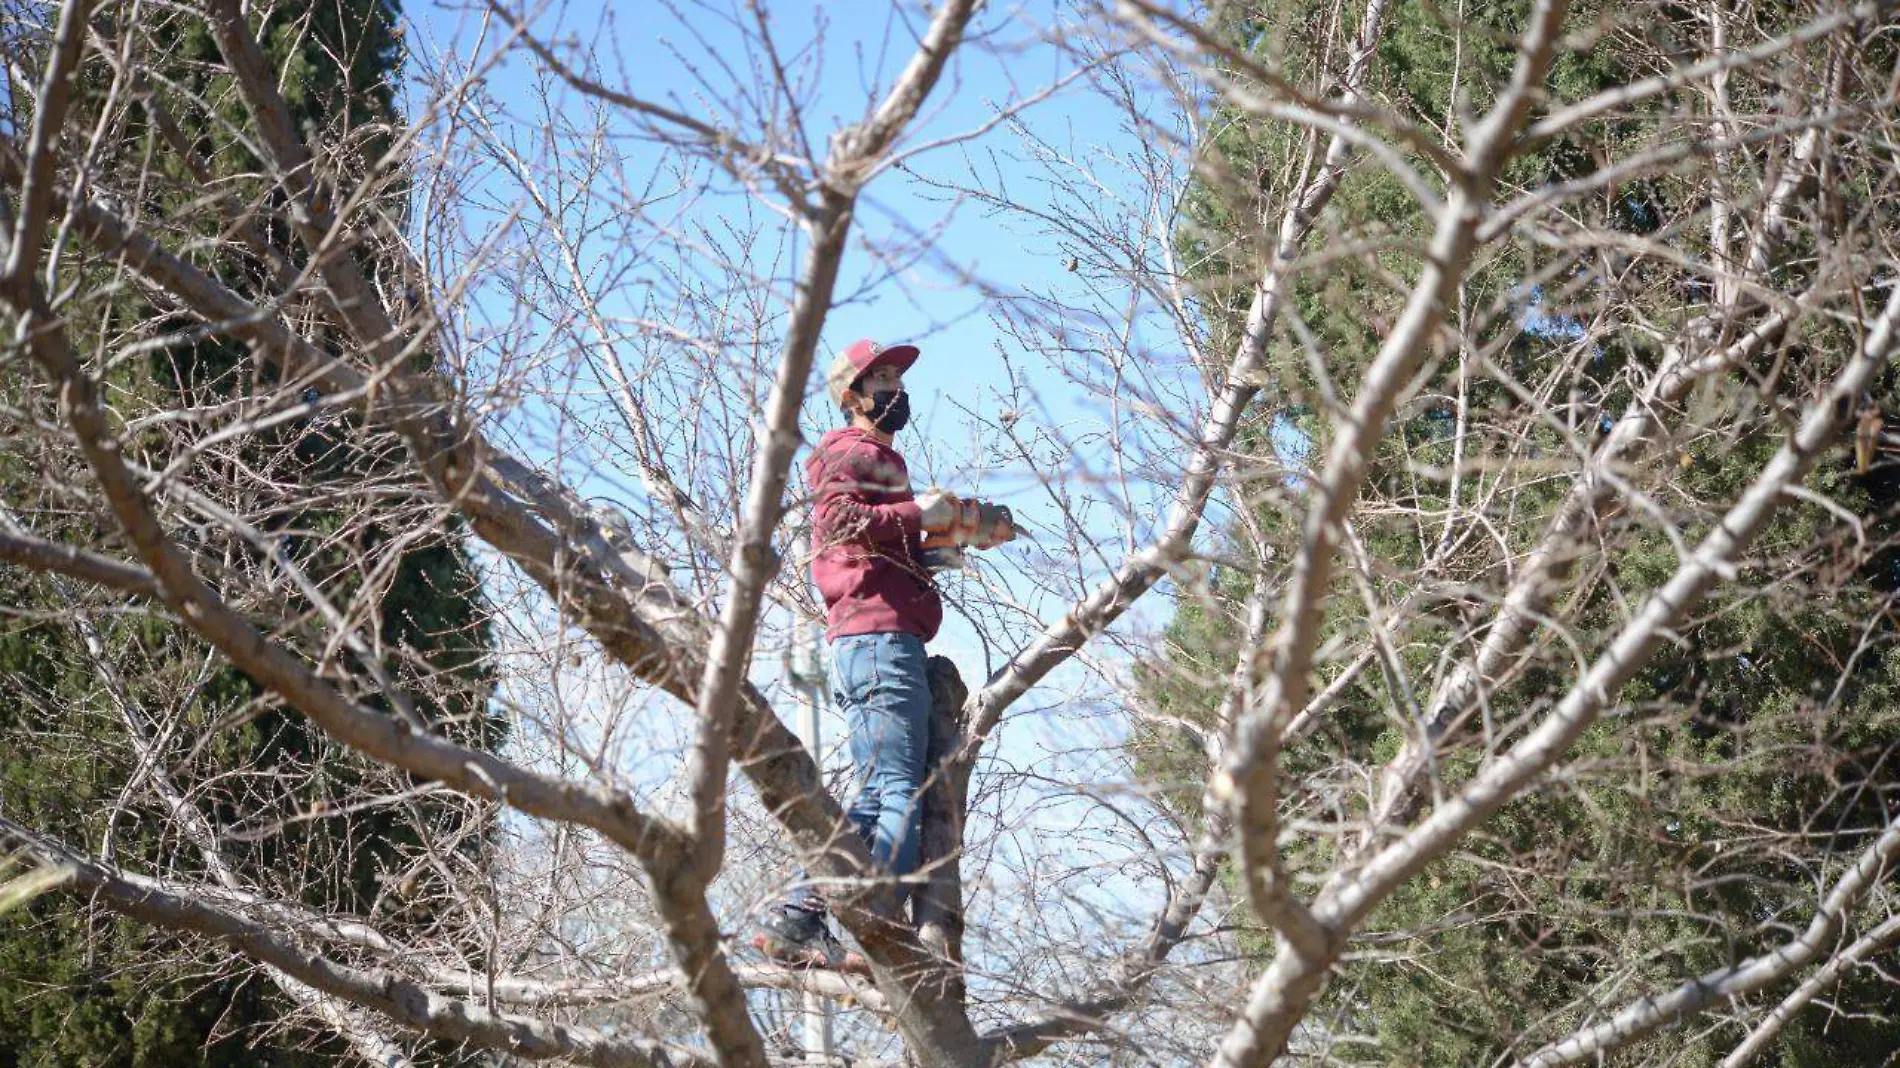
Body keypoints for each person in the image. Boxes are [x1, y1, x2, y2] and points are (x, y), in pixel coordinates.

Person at [751, 338, 958, 972]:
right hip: (878, 638)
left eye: (898, 378)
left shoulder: (872, 456)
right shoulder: (850, 450)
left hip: (875, 638)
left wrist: (946, 535)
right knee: (901, 789)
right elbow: (839, 521)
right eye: (882, 380)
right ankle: (875, 917)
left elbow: (872, 532)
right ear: (852, 397)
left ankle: (800, 919)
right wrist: (917, 512)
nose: (895, 390)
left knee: (872, 796)